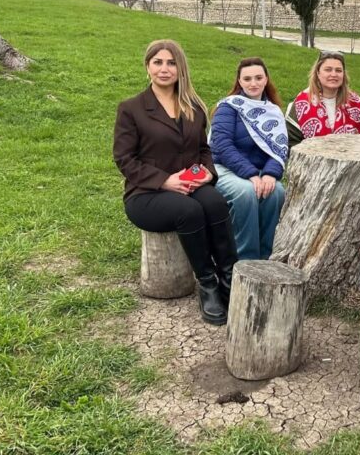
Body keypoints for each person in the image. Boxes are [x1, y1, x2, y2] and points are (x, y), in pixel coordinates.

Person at [113, 40, 237, 325]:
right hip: (146, 193)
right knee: (189, 211)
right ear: (147, 67)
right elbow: (124, 159)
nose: (164, 69)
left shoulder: (193, 106)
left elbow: (204, 149)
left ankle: (228, 278)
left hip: (190, 186)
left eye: (171, 63)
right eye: (157, 62)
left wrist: (207, 172)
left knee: (216, 203)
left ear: (180, 69)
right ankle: (207, 283)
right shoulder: (132, 109)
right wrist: (165, 181)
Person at [210, 58, 289, 261]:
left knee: (276, 192)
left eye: (258, 78)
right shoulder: (228, 107)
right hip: (224, 168)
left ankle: (267, 258)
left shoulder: (274, 111)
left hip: (258, 171)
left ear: (266, 79)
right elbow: (222, 146)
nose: (253, 83)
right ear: (239, 81)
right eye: (247, 79)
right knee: (246, 193)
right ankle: (245, 260)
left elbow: (279, 148)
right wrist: (251, 174)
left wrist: (270, 174)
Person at [289, 51, 360, 137]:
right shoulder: (301, 103)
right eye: (328, 70)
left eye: (338, 70)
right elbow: (292, 140)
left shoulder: (357, 104)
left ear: (343, 74)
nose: (333, 74)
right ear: (318, 73)